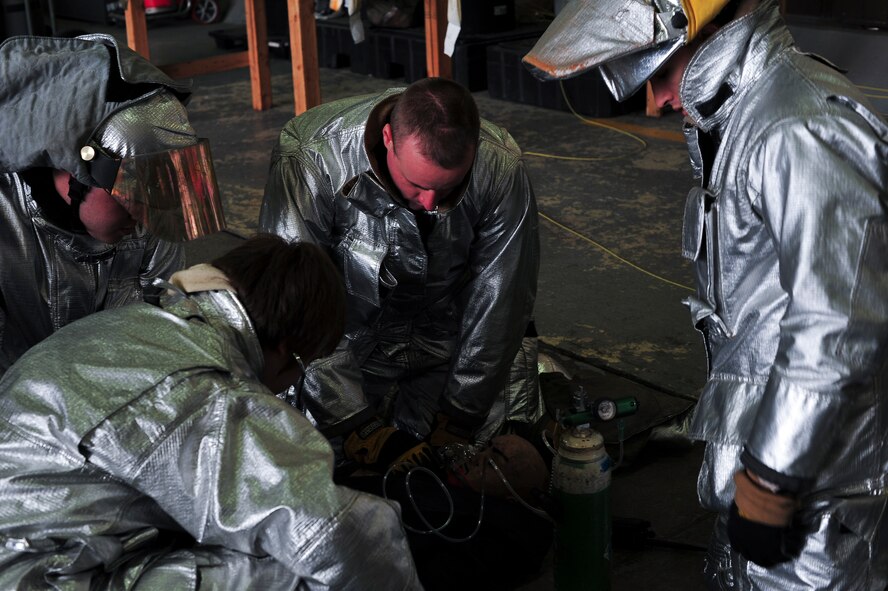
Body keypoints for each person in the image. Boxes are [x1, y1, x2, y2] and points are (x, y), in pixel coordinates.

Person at [524, 0, 887, 589]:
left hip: (815, 495)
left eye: (660, 73)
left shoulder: (798, 126)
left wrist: (773, 479)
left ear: (709, 33)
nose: (659, 100)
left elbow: (839, 322)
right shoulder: (742, 118)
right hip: (757, 464)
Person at [0, 234, 420, 590]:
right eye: (300, 365)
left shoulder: (136, 325)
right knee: (292, 569)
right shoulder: (205, 390)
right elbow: (333, 532)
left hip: (36, 547)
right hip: (36, 576)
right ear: (284, 349)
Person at [259, 77, 541, 472]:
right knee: (307, 465)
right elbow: (294, 299)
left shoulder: (500, 167)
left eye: (448, 188)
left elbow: (501, 297)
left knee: (493, 465)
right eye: (416, 184)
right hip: (342, 344)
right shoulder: (312, 157)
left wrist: (462, 413)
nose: (430, 203)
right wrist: (354, 421)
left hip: (447, 338)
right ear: (388, 138)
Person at [0, 33, 225, 376]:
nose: (144, 218)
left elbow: (166, 324)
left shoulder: (149, 221)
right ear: (75, 172)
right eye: (134, 194)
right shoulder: (6, 224)